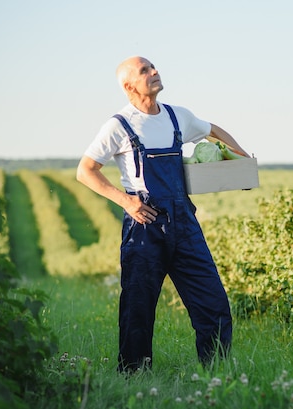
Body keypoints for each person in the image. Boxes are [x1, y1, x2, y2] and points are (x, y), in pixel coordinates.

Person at [76, 56, 250, 372]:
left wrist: (242, 166)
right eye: (145, 70)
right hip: (144, 226)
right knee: (138, 310)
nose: (155, 72)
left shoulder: (177, 116)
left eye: (153, 67)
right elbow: (85, 171)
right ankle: (134, 377)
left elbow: (214, 130)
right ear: (129, 85)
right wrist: (125, 201)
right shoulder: (118, 125)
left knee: (214, 304)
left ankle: (217, 373)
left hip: (184, 223)